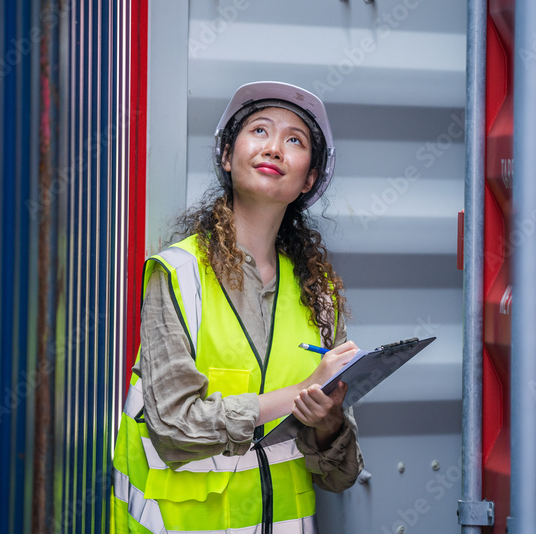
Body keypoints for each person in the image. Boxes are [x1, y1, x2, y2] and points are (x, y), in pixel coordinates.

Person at [112, 81, 364, 533]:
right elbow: (173, 428)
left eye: (294, 140)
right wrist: (300, 394)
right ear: (228, 157)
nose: (274, 148)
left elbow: (341, 475)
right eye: (260, 130)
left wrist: (326, 422)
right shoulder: (178, 274)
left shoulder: (318, 293)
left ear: (308, 179)